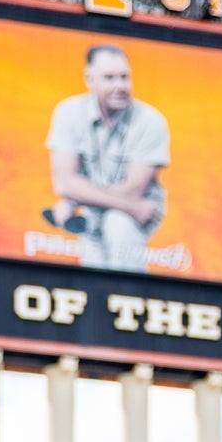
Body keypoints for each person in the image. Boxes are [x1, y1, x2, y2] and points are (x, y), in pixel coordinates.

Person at [44, 44, 169, 272]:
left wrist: (76, 198)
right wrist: (74, 198)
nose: (120, 86)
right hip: (114, 208)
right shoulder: (68, 112)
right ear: (90, 79)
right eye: (110, 78)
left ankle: (130, 301)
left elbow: (133, 190)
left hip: (137, 212)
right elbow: (64, 182)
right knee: (92, 262)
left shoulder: (151, 121)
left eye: (124, 77)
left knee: (117, 225)